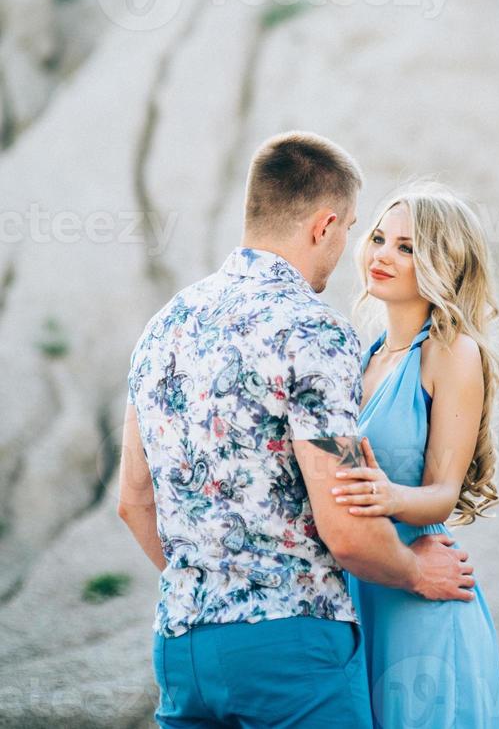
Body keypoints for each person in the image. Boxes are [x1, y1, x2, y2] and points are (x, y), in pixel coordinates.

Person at [117, 132, 476, 729]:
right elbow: (346, 530)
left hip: (180, 648)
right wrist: (418, 571)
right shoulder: (314, 330)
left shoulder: (164, 326)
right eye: (355, 228)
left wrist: (216, 594)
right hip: (293, 654)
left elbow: (133, 503)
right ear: (324, 225)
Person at [333, 186, 499, 728]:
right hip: (362, 587)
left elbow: (442, 493)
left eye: (407, 247)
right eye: (380, 238)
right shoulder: (358, 356)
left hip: (422, 601)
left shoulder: (453, 351)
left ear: (444, 262)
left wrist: (387, 496)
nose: (382, 255)